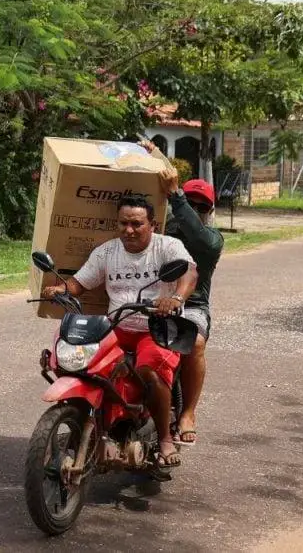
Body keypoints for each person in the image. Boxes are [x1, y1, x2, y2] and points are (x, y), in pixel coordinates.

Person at [42, 194, 199, 468]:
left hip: (156, 327)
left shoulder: (168, 247)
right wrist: (60, 289)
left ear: (152, 225)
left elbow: (189, 274)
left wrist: (175, 298)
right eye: (123, 223)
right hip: (116, 326)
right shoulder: (107, 252)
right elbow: (80, 282)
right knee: (85, 366)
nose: (129, 230)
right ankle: (101, 422)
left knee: (150, 370)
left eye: (137, 224)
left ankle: (164, 438)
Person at [154, 165, 223, 448]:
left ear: (209, 211)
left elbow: (196, 234)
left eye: (201, 207)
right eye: (190, 203)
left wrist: (176, 196)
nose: (195, 210)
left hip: (191, 306)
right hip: (148, 301)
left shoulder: (211, 240)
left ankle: (188, 413)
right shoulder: (159, 231)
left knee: (194, 342)